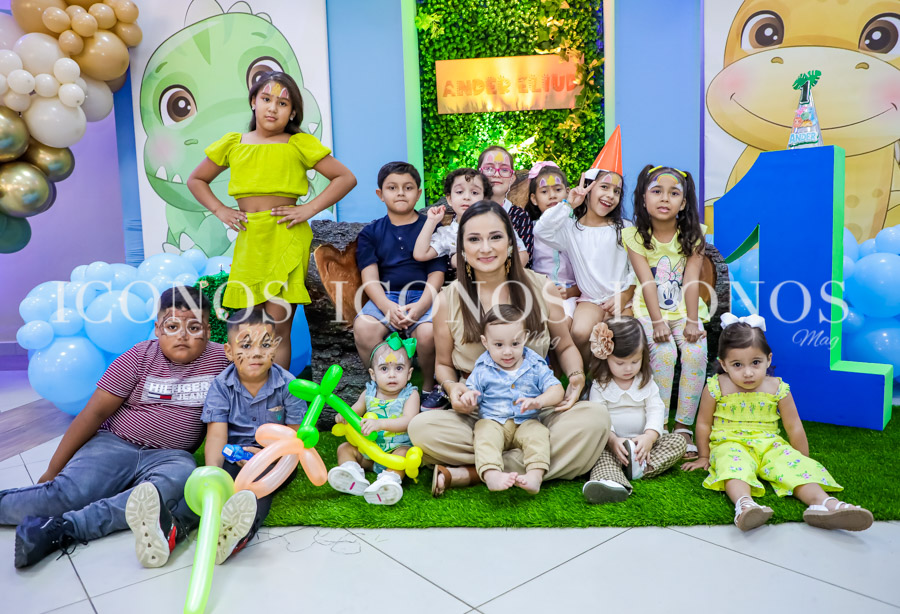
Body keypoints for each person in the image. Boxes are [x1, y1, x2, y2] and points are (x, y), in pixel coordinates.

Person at [3, 286, 228, 569]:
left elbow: (262, 367)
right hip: (115, 443)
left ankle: (64, 529)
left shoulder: (222, 359)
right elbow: (93, 414)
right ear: (157, 328)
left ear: (208, 330)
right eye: (172, 327)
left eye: (194, 328)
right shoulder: (139, 356)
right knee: (67, 494)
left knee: (173, 483)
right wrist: (52, 469)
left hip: (171, 456)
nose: (182, 335)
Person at [406, 200, 611, 497]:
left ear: (511, 242)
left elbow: (565, 346)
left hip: (537, 411)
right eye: (474, 239)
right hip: (479, 416)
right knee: (421, 428)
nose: (485, 248)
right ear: (461, 250)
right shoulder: (447, 299)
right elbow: (444, 365)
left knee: (595, 419)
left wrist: (576, 376)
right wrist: (453, 389)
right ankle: (530, 463)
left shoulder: (542, 287)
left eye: (495, 237)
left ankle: (473, 472)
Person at [188, 70, 357, 369]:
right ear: (253, 101)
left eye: (282, 103)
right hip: (251, 239)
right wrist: (220, 210)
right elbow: (196, 179)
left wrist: (308, 209)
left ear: (292, 112)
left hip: (285, 235)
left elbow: (345, 178)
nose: (272, 108)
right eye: (266, 99)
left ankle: (277, 393)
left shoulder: (298, 143)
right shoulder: (233, 143)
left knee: (277, 327)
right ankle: (252, 390)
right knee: (250, 326)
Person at [682, 315, 873, 532]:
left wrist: (801, 460)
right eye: (737, 365)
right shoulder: (716, 386)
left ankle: (825, 503)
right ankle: (745, 505)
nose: (748, 372)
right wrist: (704, 456)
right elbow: (703, 423)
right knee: (733, 468)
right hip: (730, 443)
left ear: (768, 359)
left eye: (756, 362)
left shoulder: (777, 387)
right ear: (724, 364)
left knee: (792, 466)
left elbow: (794, 426)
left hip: (769, 444)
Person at [199, 307, 308, 563]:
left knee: (257, 488)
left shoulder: (288, 384)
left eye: (265, 345)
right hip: (235, 454)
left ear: (275, 349)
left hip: (277, 457)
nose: (256, 353)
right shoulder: (221, 385)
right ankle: (174, 525)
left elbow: (295, 438)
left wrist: (267, 456)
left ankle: (238, 534)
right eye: (246, 345)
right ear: (229, 351)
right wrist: (213, 474)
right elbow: (216, 436)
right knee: (217, 487)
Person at [623, 164, 709, 458]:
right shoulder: (635, 236)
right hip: (649, 312)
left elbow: (692, 279)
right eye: (657, 191)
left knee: (696, 352)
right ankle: (657, 425)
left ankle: (683, 427)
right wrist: (657, 321)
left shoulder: (694, 235)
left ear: (683, 203)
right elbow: (647, 281)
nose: (664, 198)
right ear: (644, 199)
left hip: (686, 311)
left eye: (674, 193)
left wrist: (693, 321)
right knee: (664, 353)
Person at [534, 131, 634, 369]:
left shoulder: (625, 228)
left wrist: (624, 296)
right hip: (590, 299)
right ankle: (588, 379)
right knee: (579, 333)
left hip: (622, 298)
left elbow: (636, 270)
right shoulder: (571, 229)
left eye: (616, 191)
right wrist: (568, 204)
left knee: (620, 336)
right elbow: (542, 231)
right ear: (588, 188)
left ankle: (609, 381)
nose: (610, 195)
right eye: (604, 187)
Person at [354, 161, 446, 393]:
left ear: (419, 194)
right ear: (380, 194)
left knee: (427, 333)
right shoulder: (370, 233)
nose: (401, 193)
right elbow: (369, 278)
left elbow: (436, 273)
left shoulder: (431, 227)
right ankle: (381, 389)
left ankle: (427, 388)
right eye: (392, 188)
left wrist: (421, 306)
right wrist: (386, 306)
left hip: (424, 295)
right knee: (364, 327)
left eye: (408, 187)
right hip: (386, 296)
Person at [581, 318, 687, 503]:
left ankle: (640, 469)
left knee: (678, 442)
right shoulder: (600, 385)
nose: (628, 368)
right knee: (598, 455)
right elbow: (599, 415)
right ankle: (611, 482)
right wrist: (612, 440)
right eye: (620, 363)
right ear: (606, 358)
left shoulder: (646, 382)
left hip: (643, 447)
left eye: (635, 361)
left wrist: (649, 438)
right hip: (612, 445)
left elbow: (655, 409)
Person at [462, 305, 564, 493]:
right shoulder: (483, 367)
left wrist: (539, 401)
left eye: (515, 344)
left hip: (527, 421)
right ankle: (492, 473)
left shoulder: (534, 364)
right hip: (493, 421)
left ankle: (534, 475)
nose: (507, 352)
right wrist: (469, 396)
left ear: (524, 338)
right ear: (485, 342)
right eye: (499, 345)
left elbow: (557, 389)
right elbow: (471, 389)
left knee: (539, 435)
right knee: (483, 433)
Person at [327, 333, 420, 505]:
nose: (392, 375)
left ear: (409, 374)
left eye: (399, 368)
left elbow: (409, 420)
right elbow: (355, 410)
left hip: (395, 449)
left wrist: (381, 424)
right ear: (373, 374)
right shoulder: (368, 393)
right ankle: (352, 473)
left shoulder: (410, 395)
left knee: (404, 455)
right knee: (344, 448)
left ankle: (388, 481)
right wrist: (344, 415)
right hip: (369, 452)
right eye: (384, 369)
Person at [414, 168, 528, 270]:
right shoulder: (447, 234)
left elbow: (522, 255)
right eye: (459, 192)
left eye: (474, 192)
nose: (467, 197)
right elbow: (420, 254)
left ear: (484, 199)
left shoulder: (499, 224)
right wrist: (431, 221)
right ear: (449, 199)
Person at [523, 162, 580, 323]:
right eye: (544, 191)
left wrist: (571, 291)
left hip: (570, 294)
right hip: (540, 291)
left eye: (557, 190)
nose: (552, 195)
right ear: (534, 199)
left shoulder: (578, 228)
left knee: (564, 321)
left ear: (568, 192)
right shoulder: (530, 230)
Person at [478, 145, 534, 265]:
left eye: (504, 170)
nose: (496, 174)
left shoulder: (520, 217)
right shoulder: (466, 211)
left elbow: (526, 259)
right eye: (489, 168)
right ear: (479, 174)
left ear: (512, 179)